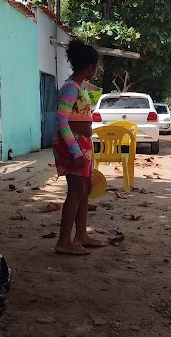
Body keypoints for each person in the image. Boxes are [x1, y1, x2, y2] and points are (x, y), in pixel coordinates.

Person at [52, 40, 104, 255]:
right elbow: (62, 121)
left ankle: (81, 234)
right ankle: (64, 242)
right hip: (73, 146)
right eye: (96, 66)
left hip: (82, 144)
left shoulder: (79, 88)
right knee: (75, 191)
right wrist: (75, 151)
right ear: (90, 67)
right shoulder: (69, 89)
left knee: (85, 189)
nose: (96, 70)